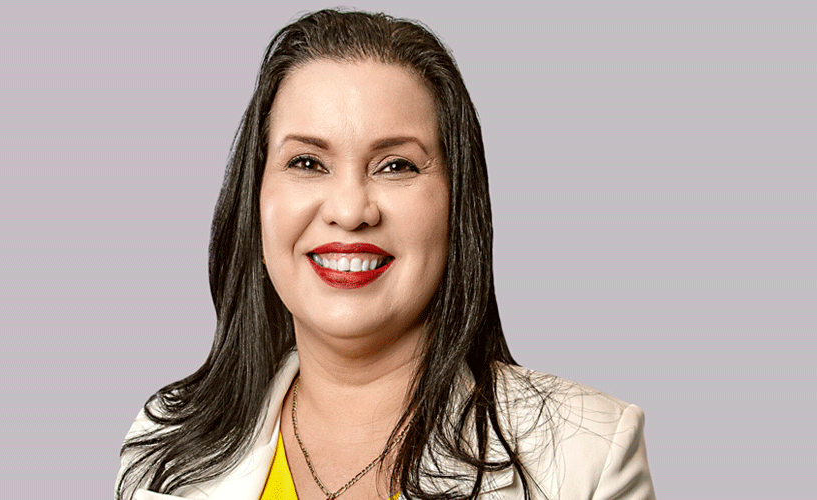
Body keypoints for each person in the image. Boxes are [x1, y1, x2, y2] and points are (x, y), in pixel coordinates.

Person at [116, 9, 655, 500]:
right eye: (307, 163)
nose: (350, 211)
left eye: (396, 165)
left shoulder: (588, 455)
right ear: (255, 199)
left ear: (458, 205)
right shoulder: (164, 445)